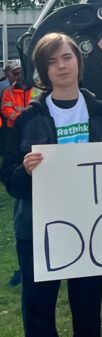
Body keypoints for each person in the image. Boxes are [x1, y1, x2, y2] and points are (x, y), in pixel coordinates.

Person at [0, 33, 102, 337]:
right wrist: (24, 171)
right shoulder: (26, 119)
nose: (62, 65)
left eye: (67, 57)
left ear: (79, 63)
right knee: (39, 311)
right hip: (39, 229)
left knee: (87, 311)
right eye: (52, 61)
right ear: (43, 71)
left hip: (90, 226)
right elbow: (9, 175)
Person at [2, 59, 31, 287]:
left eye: (22, 72)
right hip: (15, 142)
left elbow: (29, 110)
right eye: (15, 73)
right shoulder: (8, 92)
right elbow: (8, 111)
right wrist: (21, 114)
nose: (18, 76)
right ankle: (25, 268)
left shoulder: (35, 92)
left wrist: (21, 113)